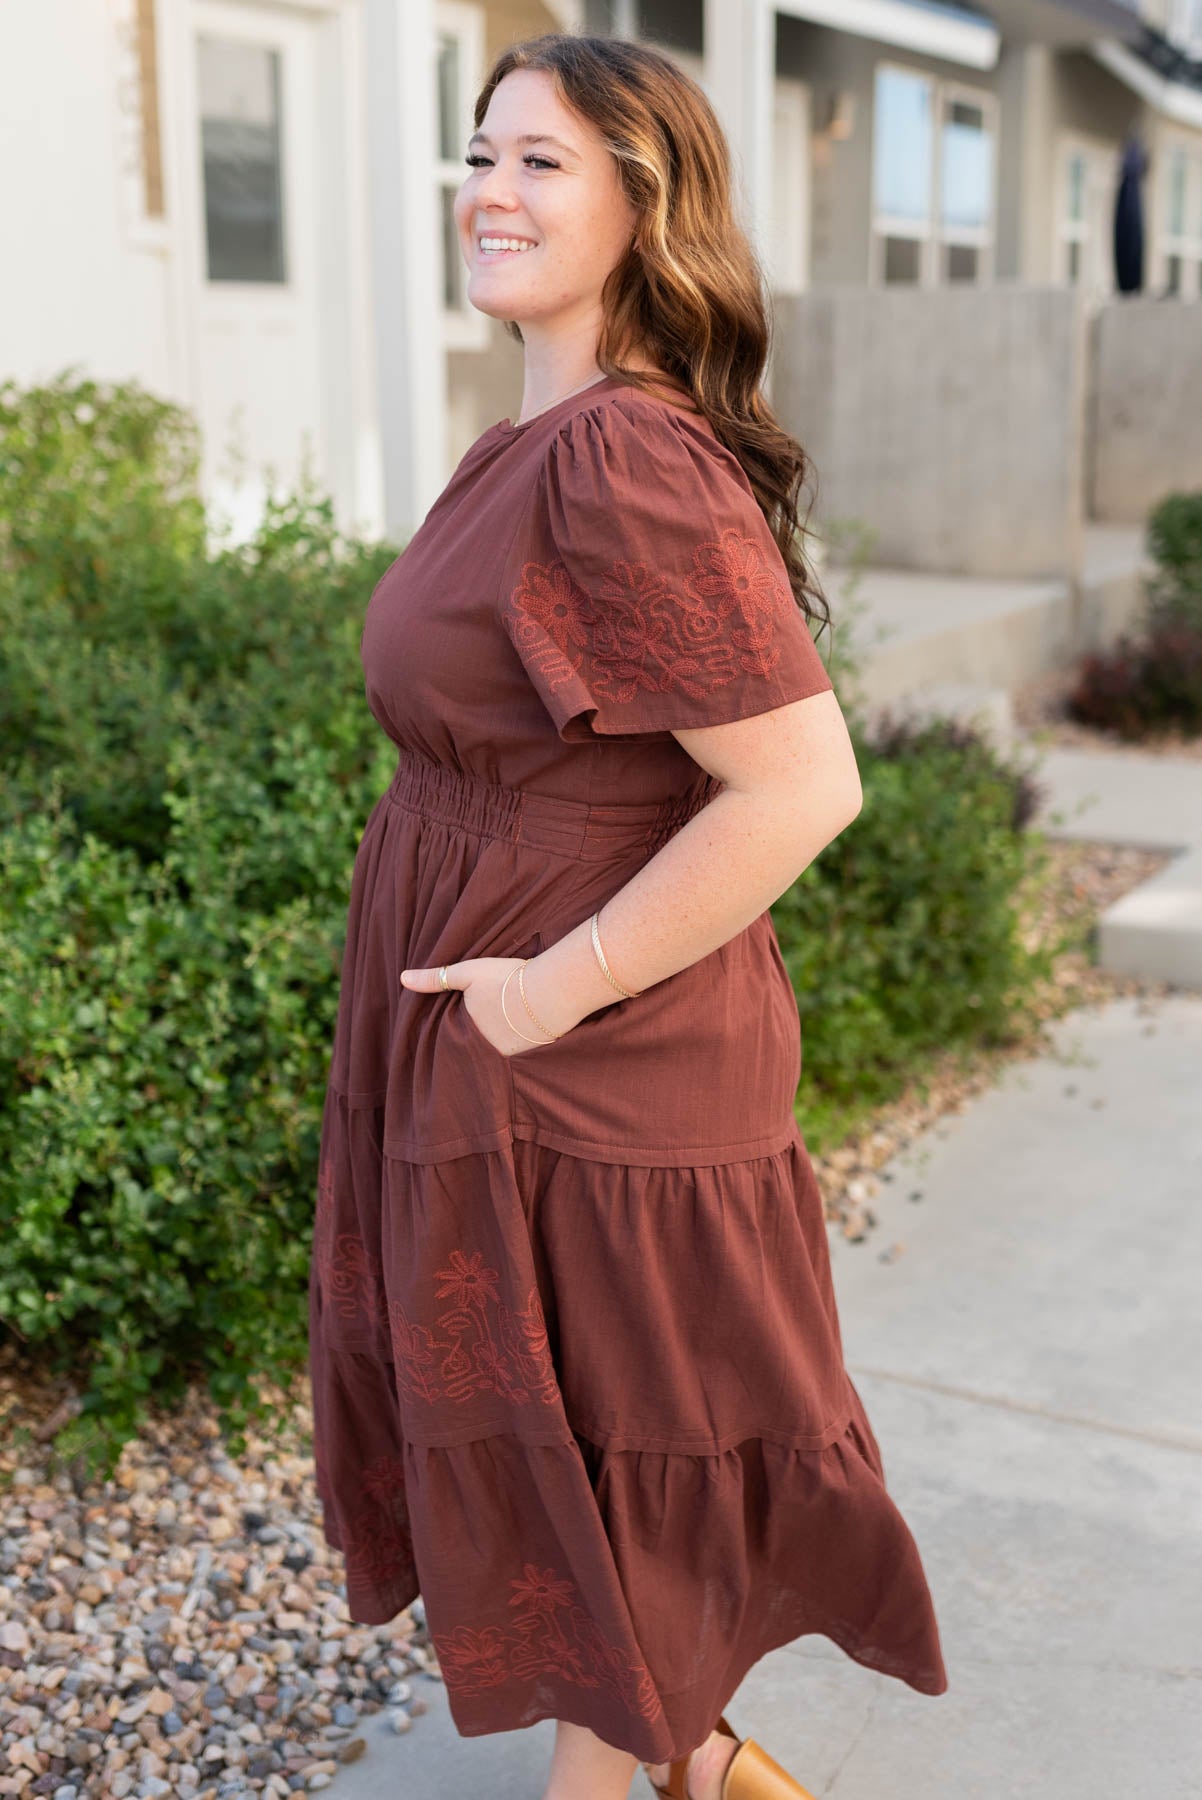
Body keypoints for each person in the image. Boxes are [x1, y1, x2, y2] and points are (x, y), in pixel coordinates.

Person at [306, 29, 948, 1800]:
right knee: (573, 1468)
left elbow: (801, 781)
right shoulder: (526, 444)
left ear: (642, 206)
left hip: (595, 1058)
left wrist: (548, 991)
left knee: (612, 1493)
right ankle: (710, 1767)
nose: (488, 192)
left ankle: (643, 1772)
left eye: (542, 163)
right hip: (510, 1034)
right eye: (480, 151)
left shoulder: (620, 462)